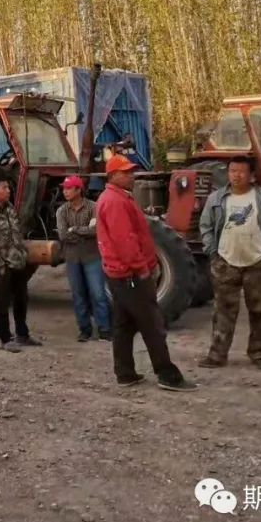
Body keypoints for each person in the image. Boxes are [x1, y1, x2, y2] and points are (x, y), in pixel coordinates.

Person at [96, 155, 197, 391]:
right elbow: (125, 241)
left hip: (120, 274)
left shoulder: (118, 198)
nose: (131, 175)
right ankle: (167, 375)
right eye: (126, 172)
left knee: (123, 325)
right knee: (152, 324)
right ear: (112, 176)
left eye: (131, 171)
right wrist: (142, 269)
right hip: (129, 275)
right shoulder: (115, 201)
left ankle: (125, 373)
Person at [198, 156, 261, 370]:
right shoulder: (217, 199)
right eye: (232, 171)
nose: (236, 175)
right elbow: (206, 226)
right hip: (225, 263)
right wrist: (213, 252)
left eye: (241, 171)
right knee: (223, 312)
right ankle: (217, 355)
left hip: (258, 263)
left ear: (252, 175)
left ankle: (258, 353)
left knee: (259, 311)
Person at [0, 178, 41, 352]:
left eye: (8, 187)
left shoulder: (10, 209)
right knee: (2, 303)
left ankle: (22, 334)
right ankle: (5, 339)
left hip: (18, 262)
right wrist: (0, 264)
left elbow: (17, 235)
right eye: (4, 187)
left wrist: (23, 256)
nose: (8, 190)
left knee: (21, 300)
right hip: (3, 266)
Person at [55, 175, 111, 342]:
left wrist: (76, 230)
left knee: (98, 294)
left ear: (79, 190)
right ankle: (84, 330)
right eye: (64, 189)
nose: (65, 192)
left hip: (92, 257)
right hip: (72, 258)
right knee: (78, 295)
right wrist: (84, 231)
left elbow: (97, 231)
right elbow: (63, 235)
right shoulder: (62, 211)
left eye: (69, 188)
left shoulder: (93, 207)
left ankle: (105, 330)